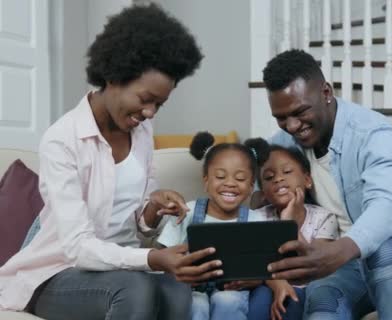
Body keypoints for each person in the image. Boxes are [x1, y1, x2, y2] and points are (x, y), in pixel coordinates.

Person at [0, 4, 217, 320]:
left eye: (160, 103)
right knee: (134, 289)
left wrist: (152, 209)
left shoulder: (141, 131)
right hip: (58, 272)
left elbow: (135, 224)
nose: (151, 113)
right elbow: (78, 248)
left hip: (123, 266)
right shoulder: (63, 140)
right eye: (146, 99)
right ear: (114, 76)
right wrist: (153, 258)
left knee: (177, 290)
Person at [259, 49, 392, 320]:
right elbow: (246, 182)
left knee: (384, 251)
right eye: (281, 118)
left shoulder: (375, 135)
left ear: (326, 93)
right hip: (344, 270)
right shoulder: (283, 146)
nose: (291, 126)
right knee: (323, 298)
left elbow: (386, 208)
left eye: (300, 111)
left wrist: (338, 251)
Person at [157, 132, 274, 320]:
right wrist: (178, 274)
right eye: (220, 176)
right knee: (196, 304)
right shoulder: (186, 211)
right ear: (206, 182)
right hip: (191, 289)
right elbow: (162, 257)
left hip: (233, 291)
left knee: (227, 300)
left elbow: (266, 268)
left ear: (251, 186)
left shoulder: (256, 220)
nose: (230, 183)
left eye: (240, 178)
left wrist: (254, 280)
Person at [247, 141, 339, 320]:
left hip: (305, 287)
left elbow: (315, 265)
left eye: (287, 172)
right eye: (268, 177)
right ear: (264, 192)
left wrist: (291, 224)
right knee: (257, 305)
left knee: (292, 303)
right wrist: (277, 285)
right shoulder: (256, 217)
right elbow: (254, 263)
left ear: (307, 180)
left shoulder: (324, 218)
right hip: (268, 284)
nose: (278, 179)